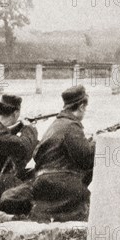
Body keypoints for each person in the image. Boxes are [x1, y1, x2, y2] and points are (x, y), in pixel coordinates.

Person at [28, 85, 95, 222]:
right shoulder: (72, 126)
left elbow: (38, 154)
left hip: (42, 182)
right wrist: (95, 144)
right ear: (82, 106)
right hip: (61, 184)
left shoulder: (56, 124)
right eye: (85, 108)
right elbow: (87, 159)